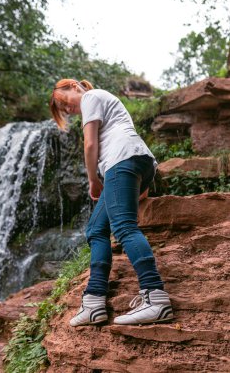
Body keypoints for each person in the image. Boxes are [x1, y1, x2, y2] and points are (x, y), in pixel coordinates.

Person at [50, 78, 173, 326]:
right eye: (65, 111)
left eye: (66, 103)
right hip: (133, 161)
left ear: (74, 86)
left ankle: (156, 298)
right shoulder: (100, 102)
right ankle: (94, 302)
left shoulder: (91, 97)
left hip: (122, 160)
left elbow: (90, 143)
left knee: (124, 227)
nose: (70, 111)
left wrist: (93, 179)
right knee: (96, 229)